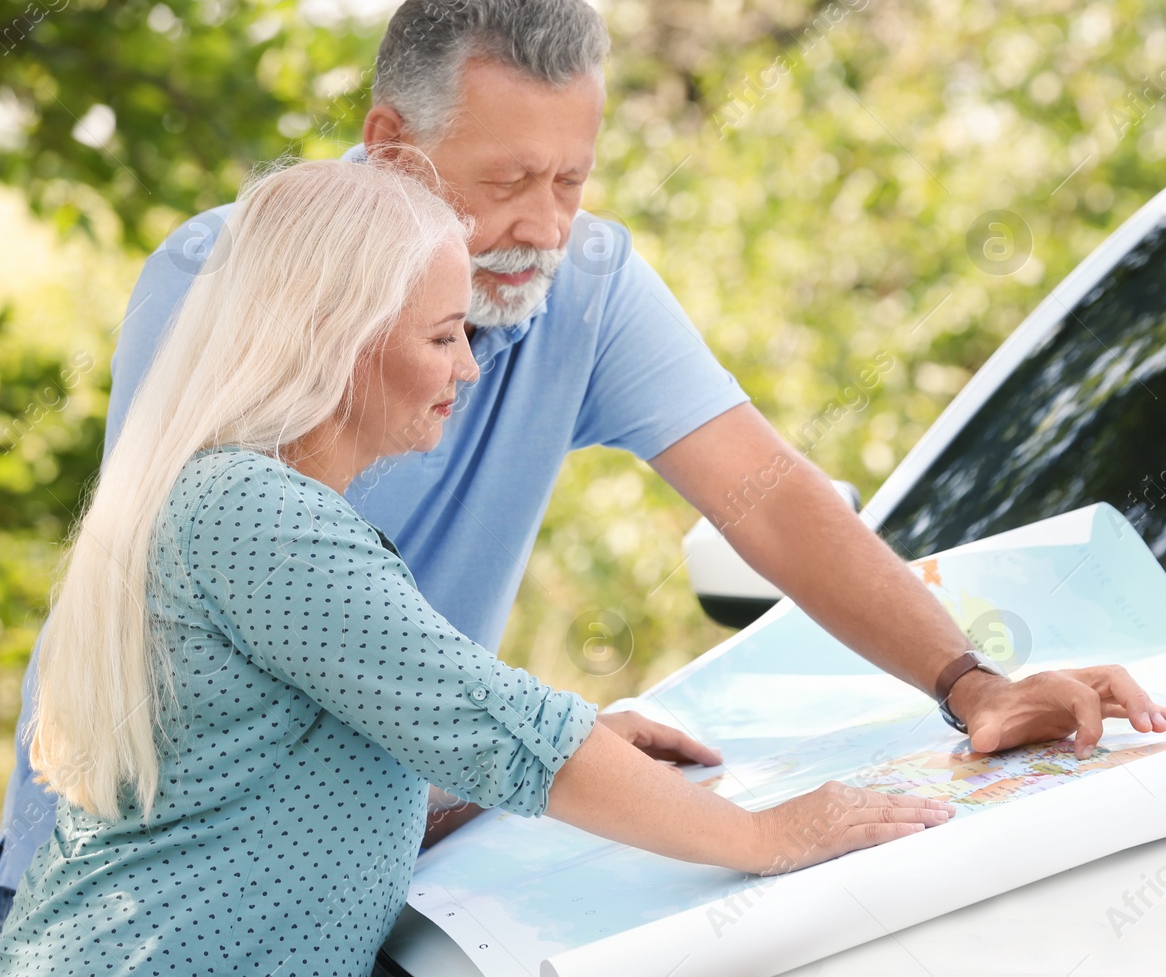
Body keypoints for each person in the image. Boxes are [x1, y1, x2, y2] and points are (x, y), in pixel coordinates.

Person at [0, 0, 1166, 917]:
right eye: (509, 178)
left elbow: (766, 493)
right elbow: (252, 620)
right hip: (162, 873)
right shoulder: (233, 284)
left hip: (381, 843)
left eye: (572, 179)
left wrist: (966, 680)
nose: (544, 227)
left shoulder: (587, 282)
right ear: (390, 143)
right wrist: (564, 761)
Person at [0, 160, 963, 975]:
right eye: (441, 334)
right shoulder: (254, 512)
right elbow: (498, 724)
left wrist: (563, 752)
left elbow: (278, 776)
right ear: (338, 338)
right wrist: (768, 835)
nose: (469, 366)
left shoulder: (242, 503)